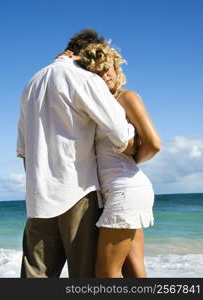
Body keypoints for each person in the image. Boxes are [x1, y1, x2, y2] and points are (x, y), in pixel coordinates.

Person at [16, 29, 137, 278]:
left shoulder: (32, 83)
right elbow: (120, 133)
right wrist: (135, 154)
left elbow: (24, 151)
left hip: (38, 198)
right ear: (88, 54)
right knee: (84, 279)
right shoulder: (83, 78)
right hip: (77, 193)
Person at [66, 42, 161, 277]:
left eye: (106, 67)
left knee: (106, 272)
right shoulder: (99, 105)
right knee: (133, 267)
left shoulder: (126, 97)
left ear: (116, 68)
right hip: (121, 190)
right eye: (96, 71)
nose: (103, 74)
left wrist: (131, 159)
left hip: (125, 189)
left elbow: (154, 144)